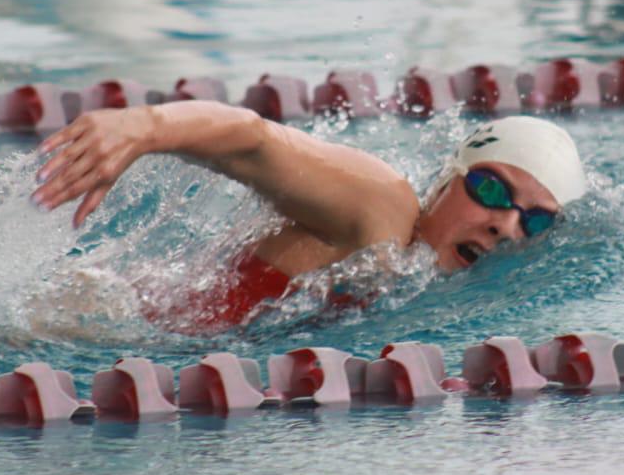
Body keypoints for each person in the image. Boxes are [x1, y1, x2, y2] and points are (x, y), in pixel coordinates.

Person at [31, 102, 585, 334]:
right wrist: (144, 126)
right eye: (490, 189)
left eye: (534, 221)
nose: (505, 225)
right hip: (83, 323)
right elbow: (254, 138)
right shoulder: (381, 209)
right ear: (444, 181)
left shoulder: (423, 279)